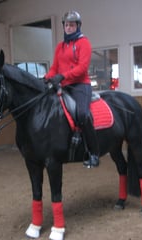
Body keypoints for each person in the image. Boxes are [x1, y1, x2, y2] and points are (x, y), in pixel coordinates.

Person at [45, 10, 99, 168]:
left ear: (78, 26)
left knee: (83, 114)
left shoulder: (84, 43)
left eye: (72, 25)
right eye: (66, 25)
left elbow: (82, 68)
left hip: (80, 85)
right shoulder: (60, 47)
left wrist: (63, 76)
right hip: (64, 85)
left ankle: (94, 153)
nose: (69, 28)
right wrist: (47, 77)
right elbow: (54, 68)